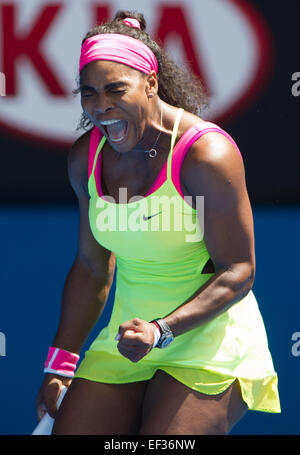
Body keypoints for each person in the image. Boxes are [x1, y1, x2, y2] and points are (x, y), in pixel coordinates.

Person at [36, 10, 281, 435]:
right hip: (125, 340)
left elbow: (239, 270)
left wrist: (161, 329)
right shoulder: (85, 157)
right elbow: (93, 267)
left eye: (116, 89)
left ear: (151, 83)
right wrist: (61, 362)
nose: (100, 106)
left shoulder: (205, 154)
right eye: (88, 93)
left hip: (210, 340)